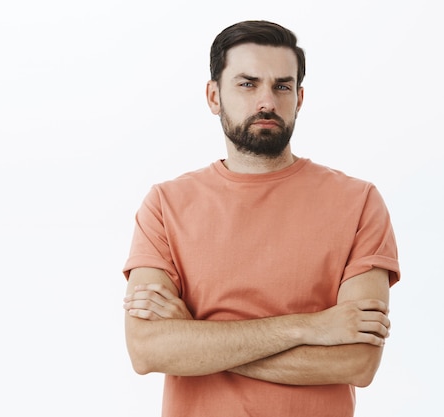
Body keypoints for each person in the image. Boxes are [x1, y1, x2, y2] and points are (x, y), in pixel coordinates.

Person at [121, 20, 400, 417]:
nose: (266, 101)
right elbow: (147, 350)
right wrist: (311, 328)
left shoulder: (359, 202)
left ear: (299, 98)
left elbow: (357, 363)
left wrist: (196, 342)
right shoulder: (166, 204)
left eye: (281, 86)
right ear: (214, 96)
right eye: (247, 84)